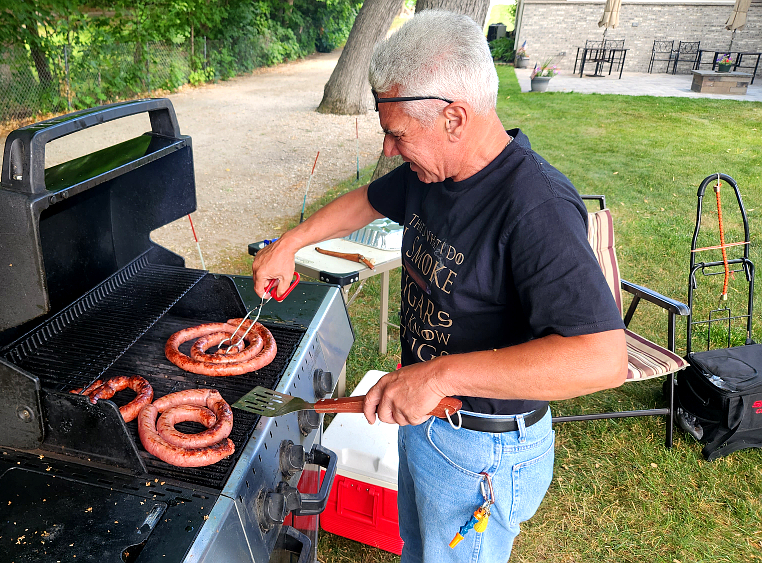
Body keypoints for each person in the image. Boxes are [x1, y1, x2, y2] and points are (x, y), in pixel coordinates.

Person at [251, 10, 628, 563]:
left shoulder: (536, 208)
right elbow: (368, 201)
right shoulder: (435, 172)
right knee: (422, 551)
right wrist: (289, 244)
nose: (387, 149)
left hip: (485, 449)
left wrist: (440, 373)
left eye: (397, 134)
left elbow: (602, 358)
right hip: (429, 419)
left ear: (454, 117)